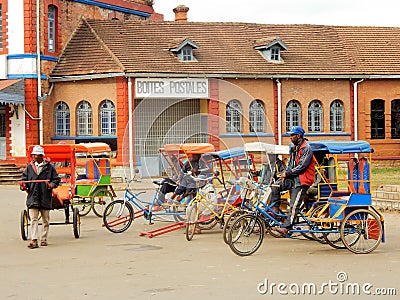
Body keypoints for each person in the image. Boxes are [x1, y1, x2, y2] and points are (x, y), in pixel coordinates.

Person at [270, 126, 315, 236]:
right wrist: (284, 174)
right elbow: (290, 164)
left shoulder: (306, 149)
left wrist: (288, 173)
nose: (290, 137)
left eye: (292, 135)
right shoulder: (293, 148)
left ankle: (286, 228)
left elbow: (302, 166)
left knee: (294, 205)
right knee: (275, 186)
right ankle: (275, 210)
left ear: (298, 136)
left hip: (302, 180)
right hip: (293, 178)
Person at [21, 145, 61, 249]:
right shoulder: (29, 167)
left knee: (45, 220)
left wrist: (51, 185)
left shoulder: (49, 167)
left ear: (41, 156)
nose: (34, 157)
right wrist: (23, 185)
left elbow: (56, 180)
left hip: (45, 196)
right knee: (33, 219)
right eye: (33, 155)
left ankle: (43, 238)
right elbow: (24, 179)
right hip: (32, 196)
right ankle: (34, 240)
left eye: (36, 155)